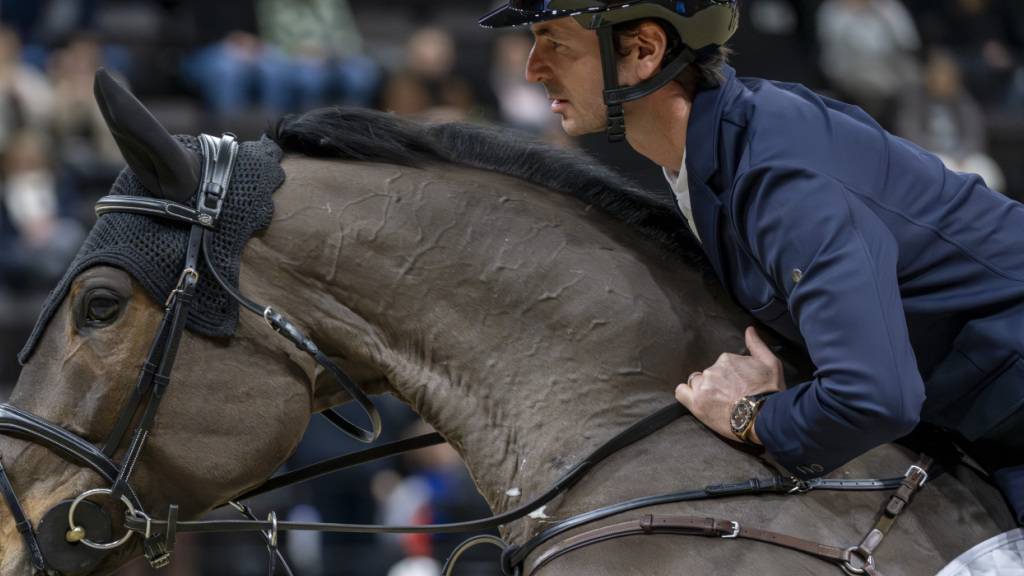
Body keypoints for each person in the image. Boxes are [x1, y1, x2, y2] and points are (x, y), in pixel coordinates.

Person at [478, 0, 1024, 527]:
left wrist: (749, 416)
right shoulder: (734, 138)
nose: (533, 70)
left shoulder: (776, 173)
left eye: (553, 43)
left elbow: (874, 396)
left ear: (644, 49)